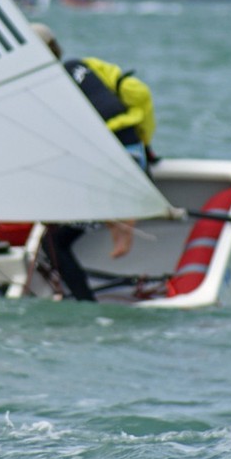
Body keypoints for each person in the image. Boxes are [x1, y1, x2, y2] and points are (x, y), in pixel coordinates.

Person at [31, 22, 156, 300]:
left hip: (113, 171)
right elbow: (136, 99)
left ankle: (86, 304)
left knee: (53, 242)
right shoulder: (82, 66)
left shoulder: (47, 90)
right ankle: (120, 219)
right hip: (136, 156)